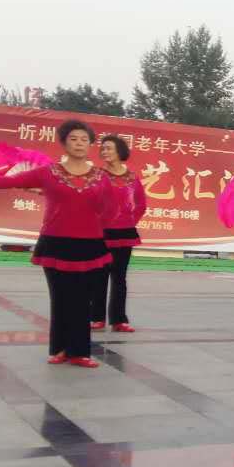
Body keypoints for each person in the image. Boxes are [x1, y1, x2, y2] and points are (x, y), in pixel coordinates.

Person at [0, 120, 111, 367]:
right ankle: (59, 349)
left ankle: (79, 352)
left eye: (84, 139)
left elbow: (108, 208)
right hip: (56, 242)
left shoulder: (101, 177)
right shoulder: (47, 173)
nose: (79, 143)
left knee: (83, 300)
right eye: (73, 139)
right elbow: (9, 181)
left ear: (90, 144)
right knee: (60, 298)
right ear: (64, 143)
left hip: (89, 244)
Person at [89, 134, 146, 333]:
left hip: (125, 234)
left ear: (120, 151)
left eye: (109, 148)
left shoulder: (132, 178)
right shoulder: (96, 175)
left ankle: (119, 320)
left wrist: (129, 221)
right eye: (103, 148)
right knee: (99, 277)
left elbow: (141, 205)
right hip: (100, 233)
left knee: (120, 278)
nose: (104, 151)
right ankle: (97, 318)